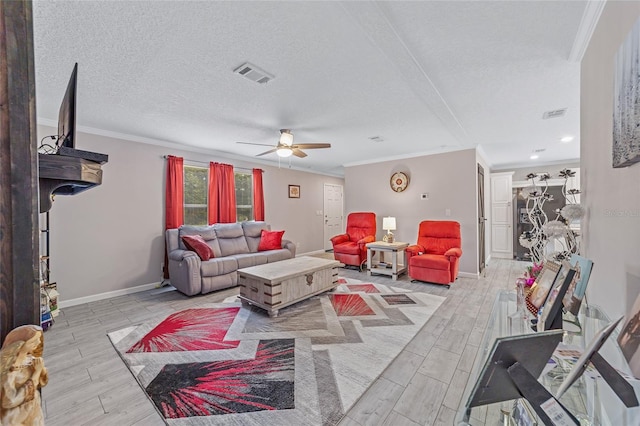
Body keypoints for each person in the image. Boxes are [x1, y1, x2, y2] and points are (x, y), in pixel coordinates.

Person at [1, 325, 48, 426]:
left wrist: (40, 370)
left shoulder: (30, 360)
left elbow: (43, 381)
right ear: (19, 344)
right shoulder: (8, 369)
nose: (38, 343)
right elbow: (9, 400)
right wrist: (35, 375)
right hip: (15, 418)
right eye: (33, 342)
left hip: (33, 411)